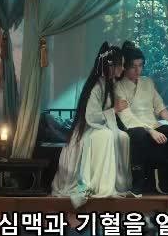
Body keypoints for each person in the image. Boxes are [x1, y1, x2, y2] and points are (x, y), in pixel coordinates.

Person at [51, 42, 135, 209]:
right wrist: (114, 109)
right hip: (88, 129)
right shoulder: (96, 86)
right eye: (120, 64)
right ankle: (98, 184)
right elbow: (91, 117)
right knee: (107, 136)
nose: (122, 68)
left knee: (123, 136)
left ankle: (118, 183)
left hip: (100, 126)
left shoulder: (109, 84)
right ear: (110, 66)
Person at [115, 41, 168, 195]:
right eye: (133, 66)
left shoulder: (147, 82)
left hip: (155, 126)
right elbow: (127, 116)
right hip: (136, 128)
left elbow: (159, 107)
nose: (138, 70)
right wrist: (151, 131)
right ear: (125, 67)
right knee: (139, 134)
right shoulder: (118, 86)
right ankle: (139, 182)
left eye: (140, 65)